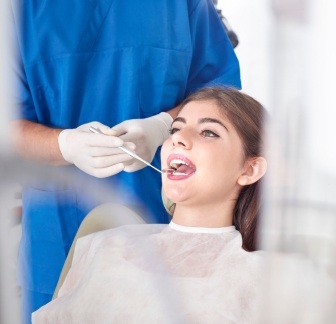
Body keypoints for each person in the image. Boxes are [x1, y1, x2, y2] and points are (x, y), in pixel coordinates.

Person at [8, 0, 241, 322]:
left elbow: (222, 96)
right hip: (59, 225)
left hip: (167, 215)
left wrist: (163, 125)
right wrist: (63, 145)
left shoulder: (183, 6)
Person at [31, 86, 268, 323]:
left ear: (250, 169)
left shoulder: (266, 277)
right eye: (175, 129)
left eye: (208, 132)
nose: (178, 139)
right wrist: (64, 144)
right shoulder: (105, 246)